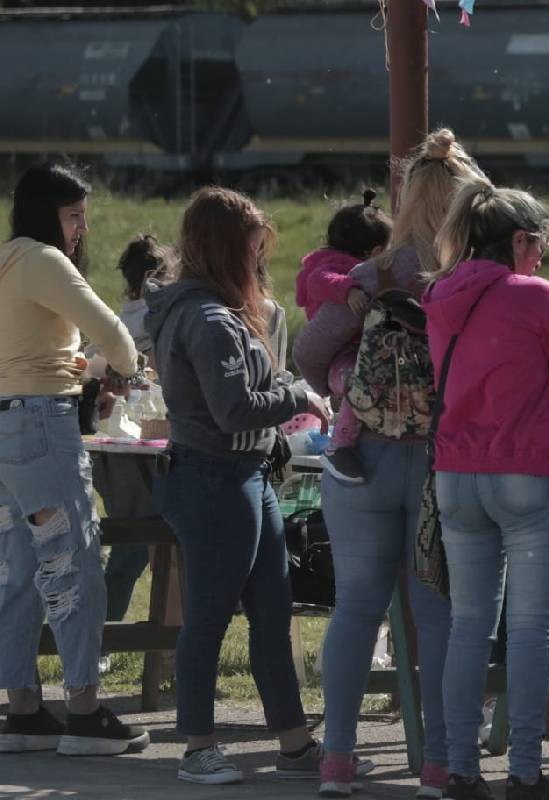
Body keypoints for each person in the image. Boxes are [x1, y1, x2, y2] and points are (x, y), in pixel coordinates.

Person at [294, 128, 489, 800]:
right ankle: (438, 764)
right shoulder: (478, 276)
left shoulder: (375, 274)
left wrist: (348, 386)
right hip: (445, 463)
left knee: (354, 610)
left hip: (363, 460)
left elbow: (309, 354)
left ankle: (338, 763)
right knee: (436, 615)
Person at [145, 187, 334, 785]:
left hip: (247, 475)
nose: (257, 267)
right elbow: (232, 409)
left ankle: (294, 741)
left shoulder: (219, 311)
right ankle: (198, 744)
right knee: (210, 613)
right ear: (224, 252)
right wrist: (298, 396)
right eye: (250, 255)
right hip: (213, 479)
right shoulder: (207, 318)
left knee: (272, 609)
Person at [422, 180, 549, 800]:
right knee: (529, 630)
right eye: (540, 243)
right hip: (528, 473)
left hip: (456, 475)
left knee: (469, 625)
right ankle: (525, 772)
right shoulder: (536, 296)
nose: (543, 255)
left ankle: (459, 772)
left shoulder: (440, 294)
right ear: (520, 240)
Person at [0, 162, 148, 756]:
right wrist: (129, 368)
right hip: (41, 423)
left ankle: (24, 708)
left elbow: (31, 350)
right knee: (74, 558)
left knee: (17, 569)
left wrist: (76, 368)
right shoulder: (43, 260)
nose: (81, 229)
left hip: (8, 421)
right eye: (73, 215)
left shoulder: (8, 258)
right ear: (46, 214)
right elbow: (112, 331)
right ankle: (84, 709)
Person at [295, 190, 393, 484]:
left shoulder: (333, 259)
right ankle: (342, 444)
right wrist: (348, 290)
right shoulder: (336, 267)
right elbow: (318, 280)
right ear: (375, 253)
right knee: (356, 380)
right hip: (340, 353)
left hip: (356, 346)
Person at [102, 234, 175, 624]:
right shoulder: (153, 318)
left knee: (133, 543)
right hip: (136, 445)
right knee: (134, 543)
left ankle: (108, 630)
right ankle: (105, 631)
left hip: (127, 444)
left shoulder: (120, 320)